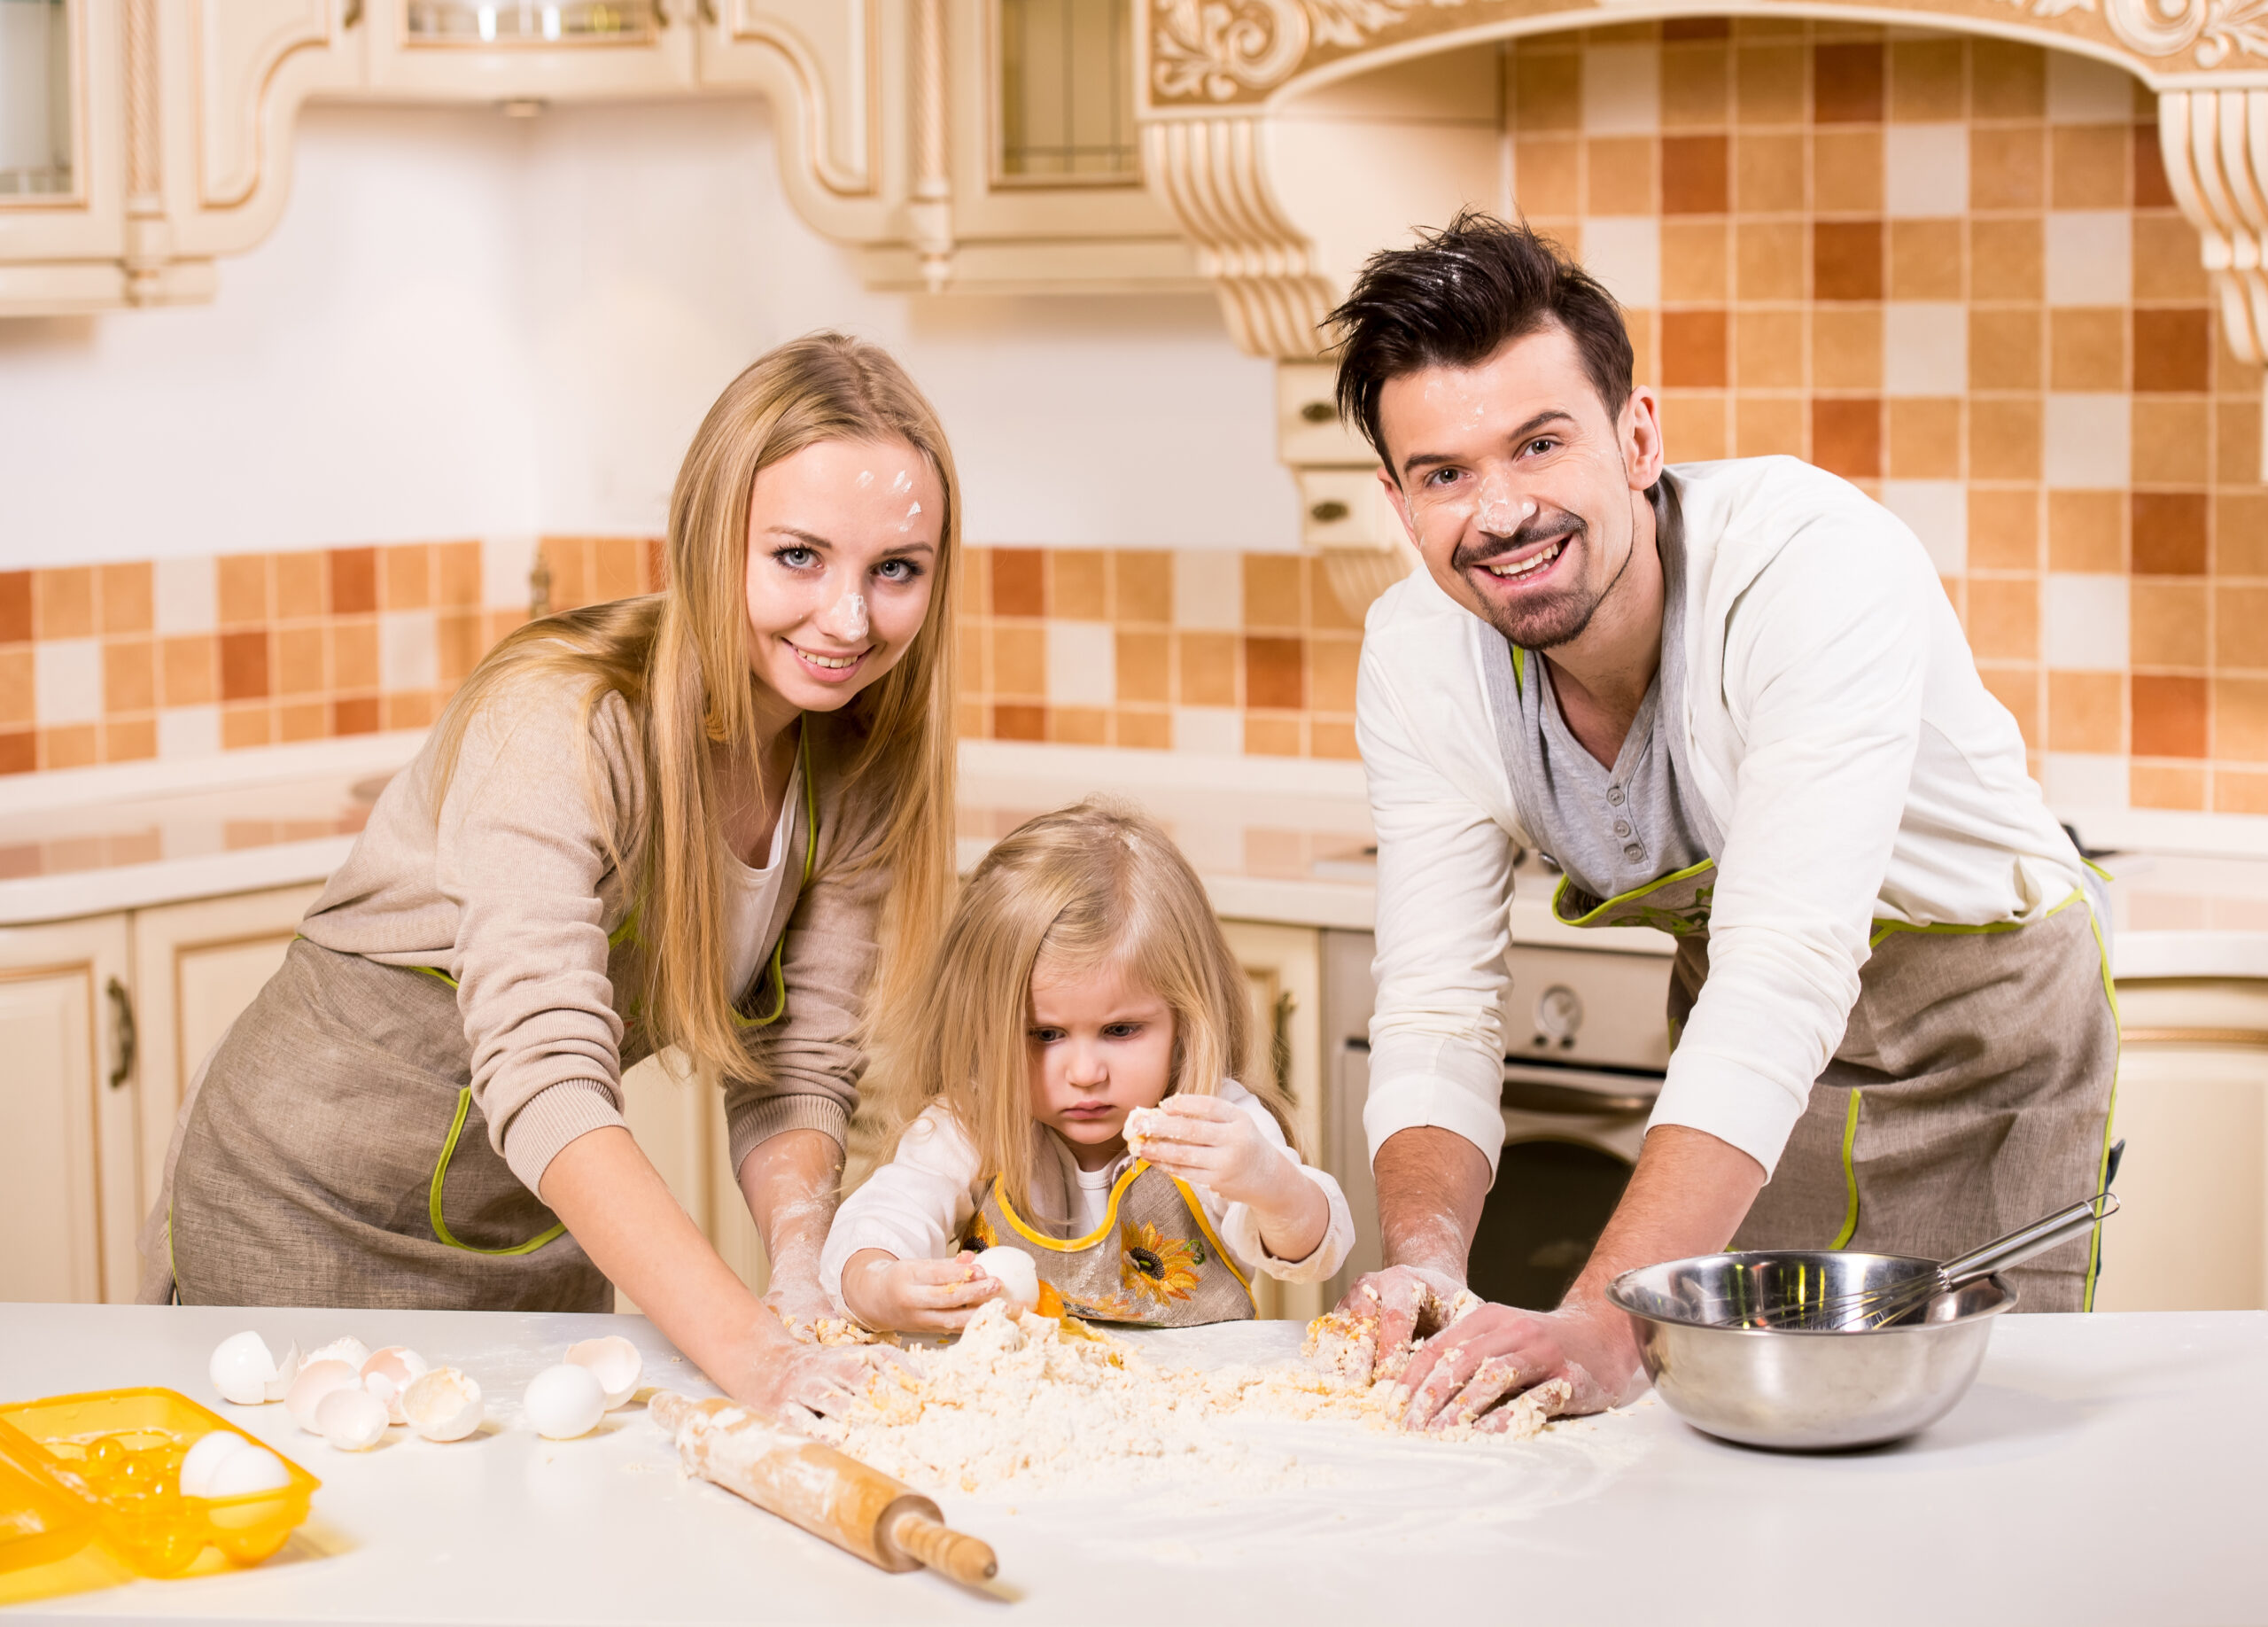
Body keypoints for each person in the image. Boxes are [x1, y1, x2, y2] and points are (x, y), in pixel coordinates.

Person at [1330, 212, 2117, 1427]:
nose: (1499, 514)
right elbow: (1437, 1006)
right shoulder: (1418, 660)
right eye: (1446, 475)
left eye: (1539, 444)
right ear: (1398, 499)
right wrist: (1427, 1256)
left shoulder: (1815, 568)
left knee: (1965, 1462)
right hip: (1754, 1093)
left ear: (1637, 435)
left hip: (1986, 1053)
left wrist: (1605, 1312)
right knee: (1734, 1451)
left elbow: (1786, 966)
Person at [142, 332, 961, 1419]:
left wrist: (800, 1271)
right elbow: (543, 1069)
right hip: (304, 1213)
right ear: (711, 539)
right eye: (799, 557)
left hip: (536, 1224)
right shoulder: (563, 719)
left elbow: (797, 1061)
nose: (848, 620)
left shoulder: (852, 756)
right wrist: (754, 1351)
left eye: (893, 570)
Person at [820, 801, 1355, 1332]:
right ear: (984, 1029)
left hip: (1188, 1406)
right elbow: (889, 1212)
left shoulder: (1211, 1125)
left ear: (1186, 1019)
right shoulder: (970, 1126)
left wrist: (1267, 1181)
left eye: (1120, 1031)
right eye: (1045, 1035)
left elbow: (1317, 1253)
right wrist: (879, 1285)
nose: (1085, 1073)